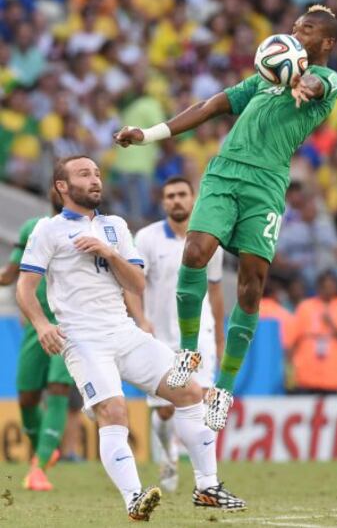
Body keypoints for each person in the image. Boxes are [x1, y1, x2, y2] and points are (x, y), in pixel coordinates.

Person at [114, 5, 337, 431]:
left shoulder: (328, 79)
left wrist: (302, 82)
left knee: (251, 286)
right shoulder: (262, 80)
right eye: (295, 27)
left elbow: (315, 83)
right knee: (196, 251)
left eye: (307, 29)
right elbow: (210, 105)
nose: (296, 33)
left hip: (268, 185)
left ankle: (223, 388)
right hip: (224, 173)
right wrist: (149, 134)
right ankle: (186, 352)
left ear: (326, 42)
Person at [16, 155, 245, 522]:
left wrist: (108, 252)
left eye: (96, 173)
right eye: (83, 174)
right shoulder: (48, 230)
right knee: (113, 411)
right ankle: (134, 498)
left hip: (124, 331)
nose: (94, 180)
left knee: (187, 391)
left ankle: (207, 486)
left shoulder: (116, 227)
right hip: (83, 338)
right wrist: (43, 325)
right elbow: (25, 289)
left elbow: (138, 283)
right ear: (62, 187)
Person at [125, 176, 224, 492]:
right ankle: (168, 455)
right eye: (170, 196)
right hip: (162, 335)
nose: (176, 200)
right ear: (163, 201)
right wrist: (140, 320)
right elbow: (132, 285)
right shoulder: (147, 238)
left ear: (193, 198)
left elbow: (216, 291)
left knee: (204, 401)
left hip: (201, 335)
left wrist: (219, 335)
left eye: (182, 194)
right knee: (166, 409)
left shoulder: (211, 237)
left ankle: (205, 478)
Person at [0, 189, 74, 491]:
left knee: (58, 387)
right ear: (54, 190)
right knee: (28, 397)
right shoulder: (34, 227)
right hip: (35, 322)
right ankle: (45, 450)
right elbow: (11, 274)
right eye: (60, 186)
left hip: (68, 322)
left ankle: (39, 466)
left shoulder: (92, 229)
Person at [289, 270, 337, 395]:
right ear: (318, 287)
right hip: (305, 377)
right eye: (324, 287)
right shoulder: (305, 307)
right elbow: (293, 341)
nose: (327, 290)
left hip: (334, 379)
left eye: (331, 287)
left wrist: (333, 326)